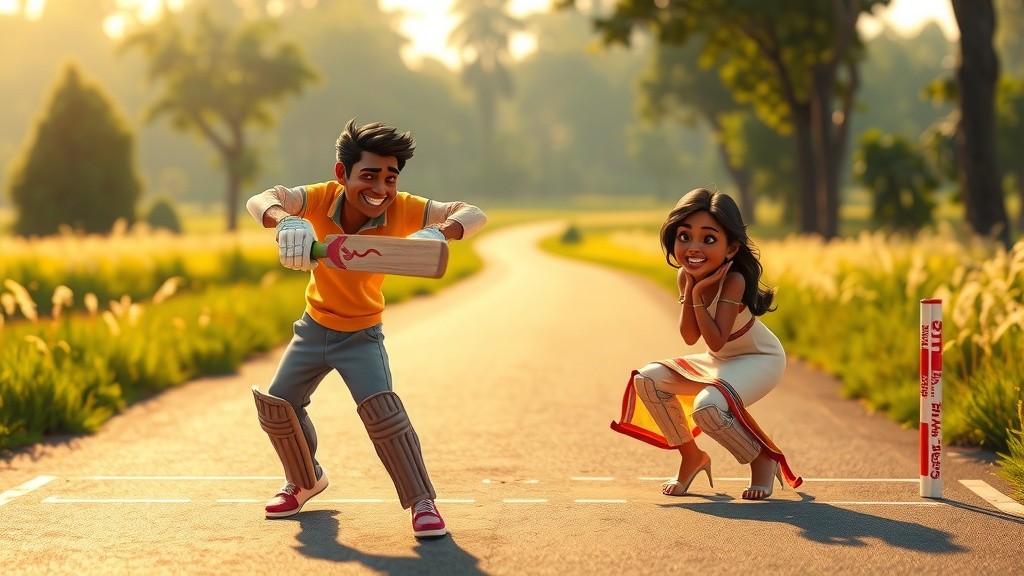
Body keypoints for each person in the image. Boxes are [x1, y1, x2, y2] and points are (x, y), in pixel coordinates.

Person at [246, 119, 486, 538]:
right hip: (313, 328)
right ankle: (305, 481)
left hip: (362, 335)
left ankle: (422, 503)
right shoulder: (319, 198)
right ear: (343, 174)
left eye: (390, 178)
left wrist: (439, 232)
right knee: (277, 407)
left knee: (384, 415)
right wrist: (285, 220)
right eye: (369, 176)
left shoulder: (404, 207)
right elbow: (260, 199)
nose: (380, 188)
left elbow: (474, 213)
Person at [611, 188, 801, 500]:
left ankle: (762, 460)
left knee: (708, 407)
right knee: (647, 380)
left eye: (708, 239)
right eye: (684, 236)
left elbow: (715, 337)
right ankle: (691, 457)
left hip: (760, 358)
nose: (693, 248)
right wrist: (691, 287)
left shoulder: (734, 280)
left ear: (731, 248)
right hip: (721, 359)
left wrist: (698, 294)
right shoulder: (686, 276)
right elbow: (689, 336)